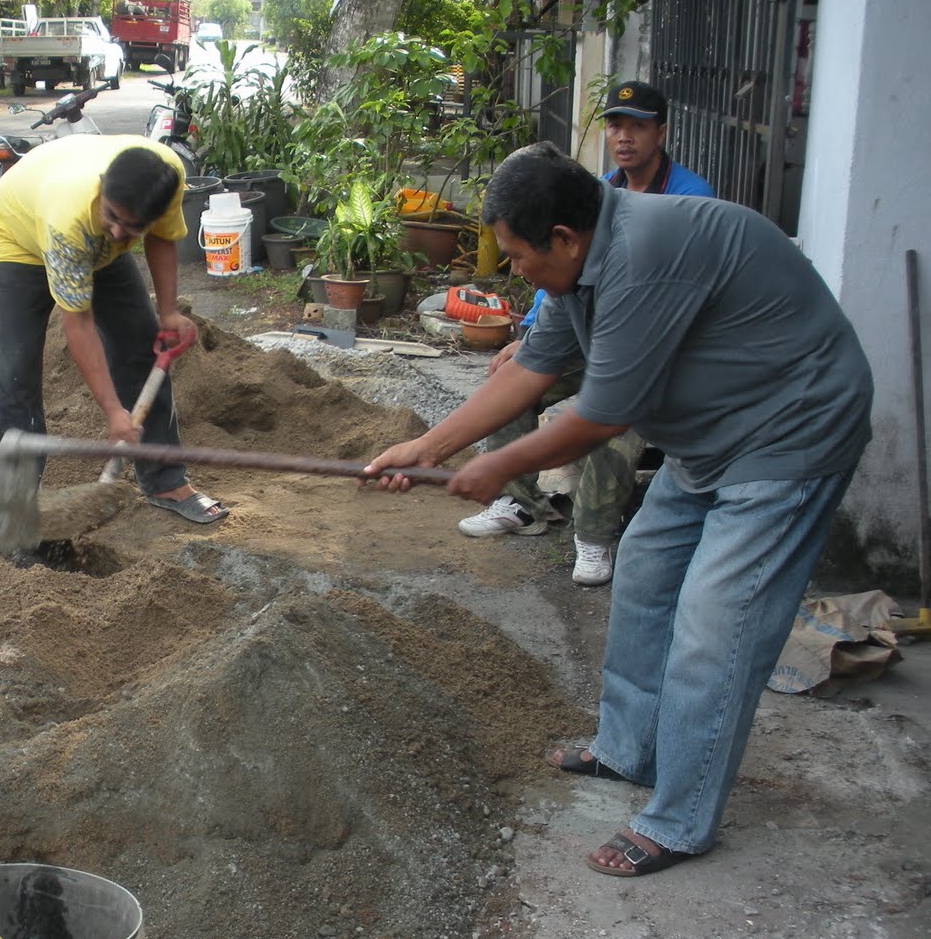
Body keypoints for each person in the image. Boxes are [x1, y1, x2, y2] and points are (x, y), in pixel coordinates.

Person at [366, 143, 872, 877]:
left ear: (563, 240)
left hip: (789, 433)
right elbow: (535, 369)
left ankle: (680, 818)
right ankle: (627, 749)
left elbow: (602, 416)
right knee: (643, 575)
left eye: (515, 255)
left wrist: (498, 467)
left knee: (715, 624)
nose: (512, 270)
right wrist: (431, 446)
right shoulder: (580, 272)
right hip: (710, 439)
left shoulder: (643, 256)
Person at [458, 80, 715, 585]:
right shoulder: (596, 193)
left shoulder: (688, 200)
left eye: (637, 125)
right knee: (509, 379)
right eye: (616, 124)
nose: (624, 136)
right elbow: (555, 272)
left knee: (608, 413)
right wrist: (529, 336)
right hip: (592, 336)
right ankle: (521, 503)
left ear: (660, 132)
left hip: (660, 352)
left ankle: (594, 535)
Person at [0, 135, 227, 524]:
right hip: (16, 240)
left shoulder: (167, 177)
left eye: (132, 228)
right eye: (112, 216)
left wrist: (167, 313)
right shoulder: (70, 218)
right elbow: (78, 324)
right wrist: (113, 411)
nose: (118, 233)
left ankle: (164, 479)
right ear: (101, 186)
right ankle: (12, 504)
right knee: (19, 368)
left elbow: (162, 237)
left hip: (84, 236)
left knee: (141, 343)